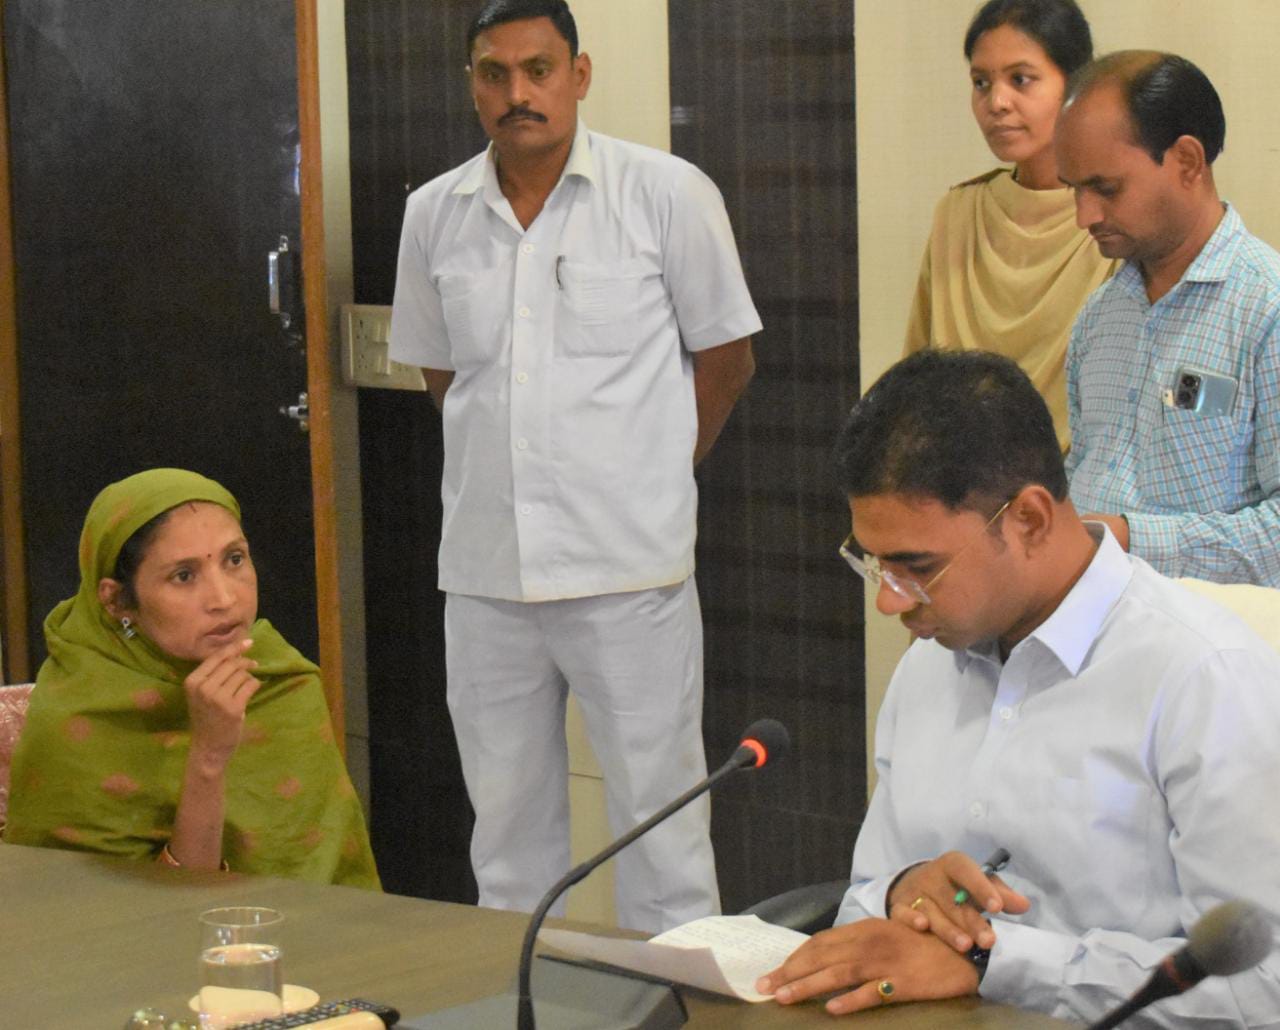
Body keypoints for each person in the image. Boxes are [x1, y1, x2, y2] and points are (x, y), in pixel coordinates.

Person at [757, 351, 1280, 1025]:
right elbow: (864, 897)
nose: (889, 601)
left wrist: (992, 961)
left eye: (917, 566)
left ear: (1029, 519)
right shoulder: (930, 664)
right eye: (874, 564)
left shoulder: (1205, 677)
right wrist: (901, 893)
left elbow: (1260, 983)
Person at [387, 0, 760, 933]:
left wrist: (657, 472)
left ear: (579, 75)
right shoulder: (433, 215)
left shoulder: (666, 194)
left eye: (539, 69)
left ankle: (671, 999)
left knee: (661, 836)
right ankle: (522, 996)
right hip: (486, 575)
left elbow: (727, 359)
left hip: (629, 572)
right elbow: (444, 376)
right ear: (472, 84)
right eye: (494, 73)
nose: (518, 93)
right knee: (506, 841)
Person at [4, 469, 380, 889]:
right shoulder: (77, 721)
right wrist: (208, 759)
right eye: (183, 576)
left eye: (234, 559)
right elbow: (117, 912)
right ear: (116, 601)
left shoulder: (281, 680)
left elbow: (330, 881)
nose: (224, 598)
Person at [1058, 51, 1280, 586]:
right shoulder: (1099, 317)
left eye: (1106, 188)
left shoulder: (1267, 310)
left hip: (1215, 632)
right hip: (1096, 623)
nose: (1085, 216)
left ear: (1186, 161)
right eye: (1074, 189)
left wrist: (1131, 541)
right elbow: (1084, 470)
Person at [905, 0, 1116, 451]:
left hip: (1083, 479)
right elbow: (917, 378)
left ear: (1075, 84)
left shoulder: (1111, 221)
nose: (997, 103)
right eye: (981, 83)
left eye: (1021, 79)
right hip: (957, 473)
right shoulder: (958, 213)